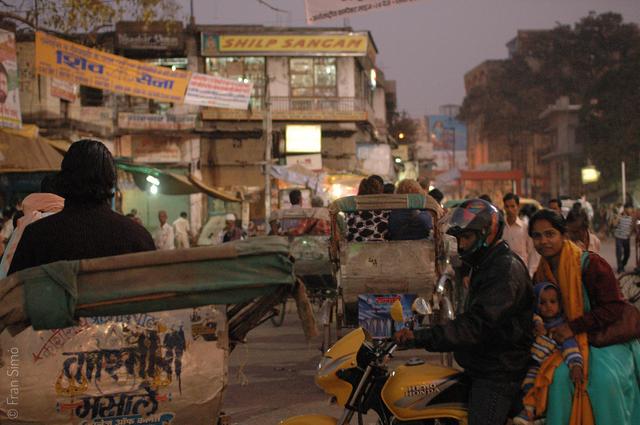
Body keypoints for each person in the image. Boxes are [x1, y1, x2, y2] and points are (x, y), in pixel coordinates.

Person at [395, 199, 534, 425]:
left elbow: (476, 325)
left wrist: (422, 336)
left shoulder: (504, 270)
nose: (461, 246)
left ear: (487, 235)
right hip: (480, 365)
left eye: (467, 238)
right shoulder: (488, 265)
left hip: (498, 373)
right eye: (459, 239)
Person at [525, 209, 640, 425]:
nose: (543, 241)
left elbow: (613, 307)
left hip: (602, 339)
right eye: (537, 236)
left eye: (550, 234)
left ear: (563, 235)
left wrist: (574, 327)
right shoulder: (541, 274)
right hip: (562, 341)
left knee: (603, 381)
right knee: (557, 379)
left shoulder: (591, 264)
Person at [8, 139, 155, 275]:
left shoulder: (36, 236)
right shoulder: (138, 238)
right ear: (111, 182)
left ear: (63, 180)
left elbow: (13, 294)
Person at [514, 282, 584, 425]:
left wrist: (575, 364)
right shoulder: (535, 323)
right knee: (527, 384)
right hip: (533, 364)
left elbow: (569, 346)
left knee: (545, 386)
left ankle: (538, 413)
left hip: (549, 364)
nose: (548, 306)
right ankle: (531, 413)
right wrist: (539, 324)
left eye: (553, 302)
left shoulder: (561, 327)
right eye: (542, 303)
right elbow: (533, 318)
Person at [503, 193, 540, 276]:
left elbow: (532, 252)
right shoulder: (500, 228)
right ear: (504, 208)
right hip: (503, 273)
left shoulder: (525, 228)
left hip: (521, 273)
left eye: (512, 206)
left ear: (518, 207)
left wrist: (530, 274)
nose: (509, 209)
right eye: (507, 206)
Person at [346, 176, 388, 241]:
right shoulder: (385, 209)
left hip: (354, 248)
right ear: (381, 190)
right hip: (380, 248)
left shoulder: (350, 208)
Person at [613, 203, 635, 273]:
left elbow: (632, 227)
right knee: (619, 253)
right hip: (619, 237)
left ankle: (622, 264)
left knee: (627, 254)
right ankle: (620, 267)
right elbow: (614, 224)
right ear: (625, 209)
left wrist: (630, 233)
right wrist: (618, 217)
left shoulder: (632, 218)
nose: (631, 210)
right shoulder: (620, 217)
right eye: (630, 209)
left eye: (631, 209)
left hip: (626, 238)